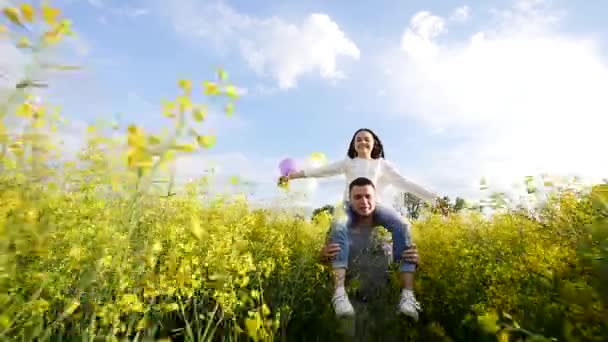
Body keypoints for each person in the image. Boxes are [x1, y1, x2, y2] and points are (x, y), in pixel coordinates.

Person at [279, 128, 437, 320]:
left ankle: (407, 296)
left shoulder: (382, 164)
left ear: (375, 144)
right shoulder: (348, 163)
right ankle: (339, 293)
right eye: (358, 139)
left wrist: (433, 199)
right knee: (339, 225)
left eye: (366, 139)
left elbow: (405, 183)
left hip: (374, 206)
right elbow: (321, 171)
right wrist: (294, 176)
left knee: (402, 225)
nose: (362, 142)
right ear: (353, 145)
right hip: (349, 207)